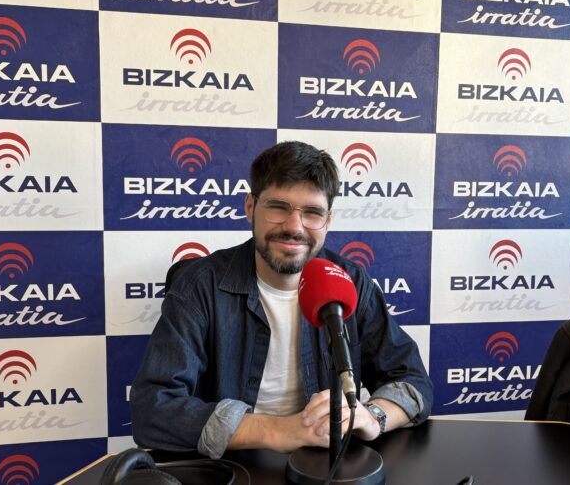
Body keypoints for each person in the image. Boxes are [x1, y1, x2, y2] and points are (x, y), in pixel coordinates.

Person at [130, 141, 433, 458]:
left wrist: (373, 417)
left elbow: (414, 381)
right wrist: (280, 430)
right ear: (251, 207)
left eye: (312, 213)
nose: (294, 227)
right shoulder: (199, 285)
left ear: (328, 220)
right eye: (278, 207)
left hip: (324, 464)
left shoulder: (351, 282)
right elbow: (152, 408)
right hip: (231, 465)